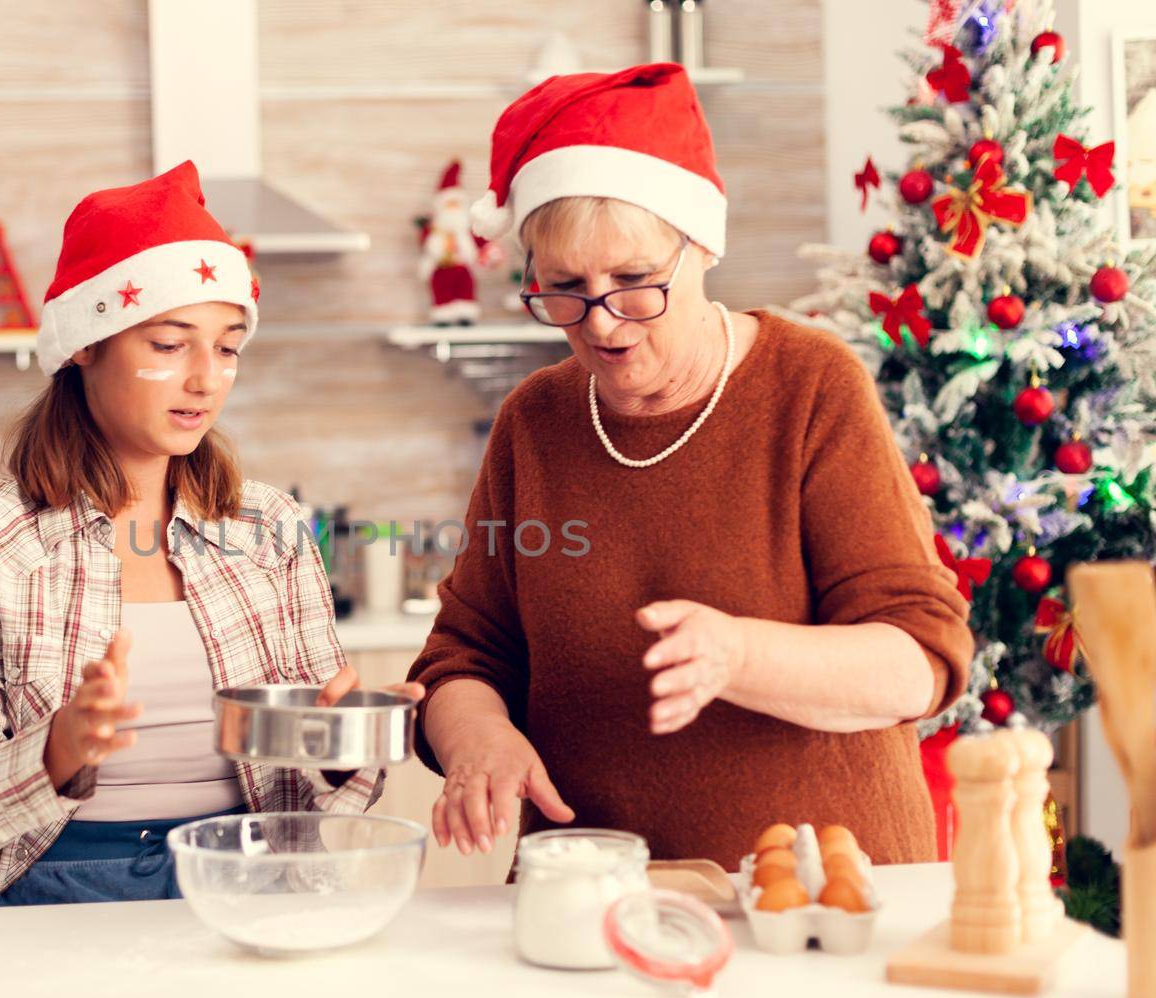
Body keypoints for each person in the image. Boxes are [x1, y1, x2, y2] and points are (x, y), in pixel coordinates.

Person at [410, 64, 974, 870]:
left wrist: (739, 656)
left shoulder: (809, 387)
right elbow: (461, 656)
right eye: (565, 289)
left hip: (814, 901)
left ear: (702, 243)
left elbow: (920, 660)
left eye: (636, 282)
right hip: (588, 898)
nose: (603, 323)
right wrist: (478, 738)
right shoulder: (534, 422)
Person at [0, 162, 420, 908]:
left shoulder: (271, 528)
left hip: (249, 880)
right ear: (86, 343)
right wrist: (57, 750)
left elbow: (326, 805)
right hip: (46, 888)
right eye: (170, 344)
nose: (207, 380)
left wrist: (342, 746)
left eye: (228, 346)